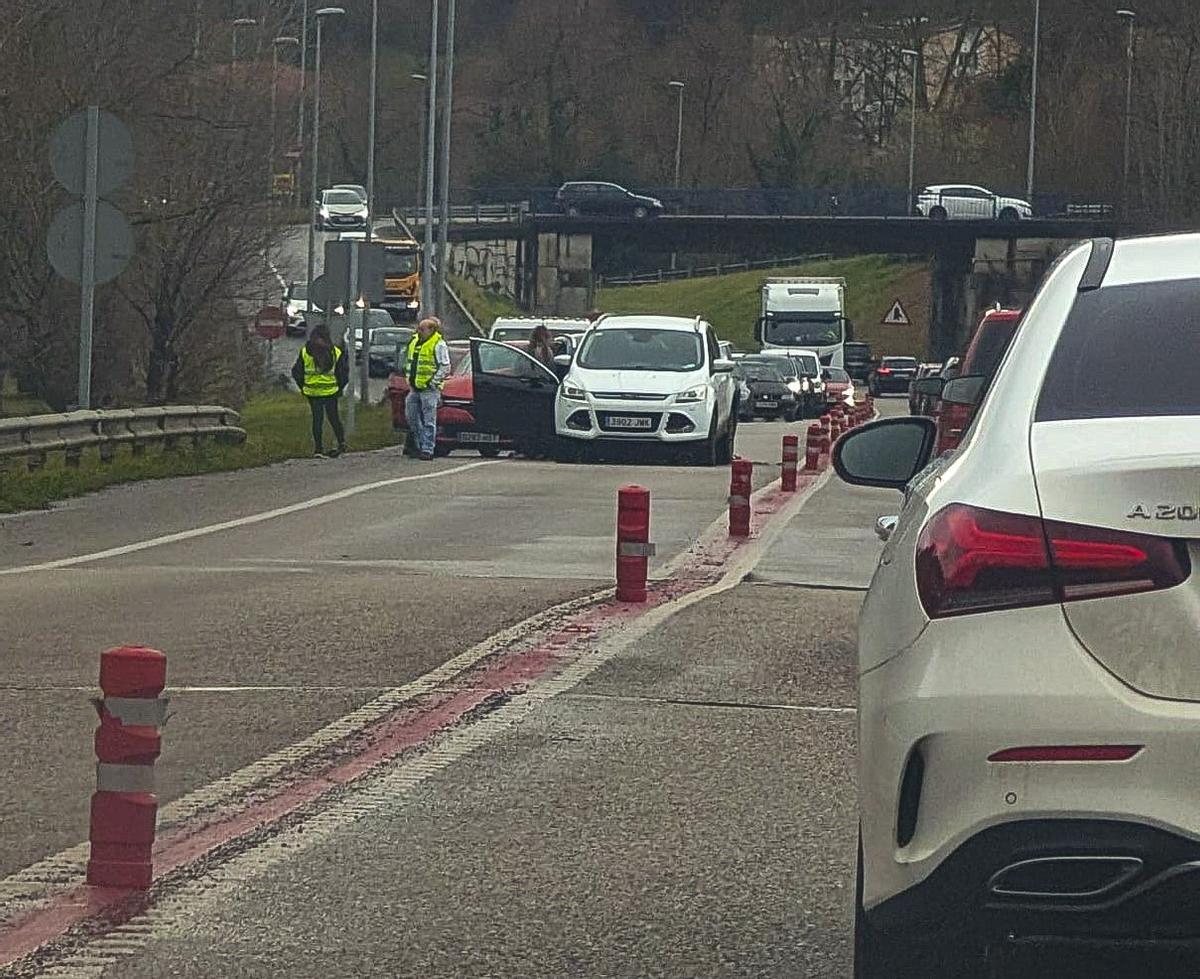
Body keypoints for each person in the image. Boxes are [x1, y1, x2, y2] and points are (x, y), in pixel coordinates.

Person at [291, 323, 349, 458]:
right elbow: (343, 374)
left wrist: (304, 386)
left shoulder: (305, 352)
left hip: (312, 392)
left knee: (317, 420)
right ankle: (341, 443)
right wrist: (339, 388)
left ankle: (318, 449)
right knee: (334, 418)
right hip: (331, 392)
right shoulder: (335, 352)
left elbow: (296, 372)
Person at [403, 316, 451, 460]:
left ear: (431, 330)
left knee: (429, 421)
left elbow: (445, 366)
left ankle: (427, 449)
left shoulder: (438, 344)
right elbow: (410, 363)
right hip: (414, 388)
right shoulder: (414, 342)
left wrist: (433, 381)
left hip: (429, 390)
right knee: (411, 418)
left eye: (422, 329)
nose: (419, 331)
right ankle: (418, 445)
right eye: (418, 328)